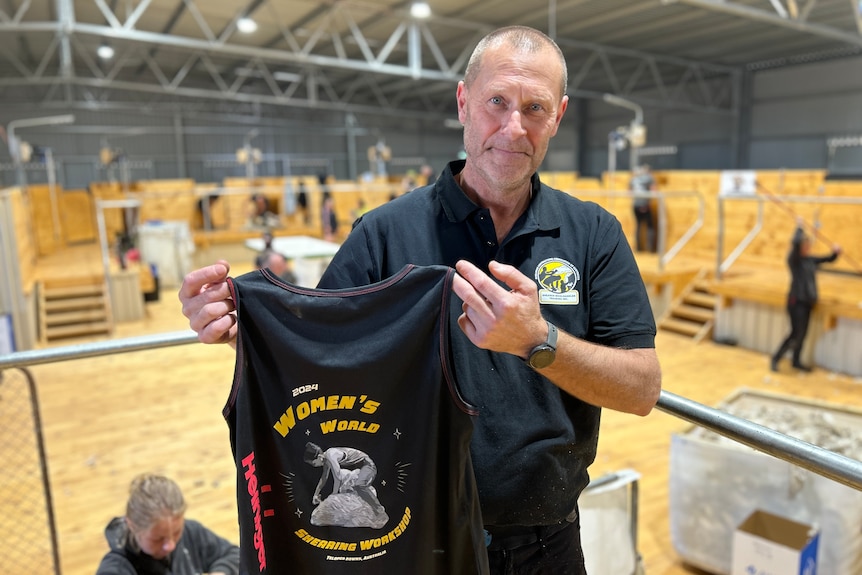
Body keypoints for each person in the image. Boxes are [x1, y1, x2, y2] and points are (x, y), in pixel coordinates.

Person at [180, 25, 661, 574]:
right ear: (463, 102)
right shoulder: (384, 235)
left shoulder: (593, 233)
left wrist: (539, 342)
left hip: (545, 545)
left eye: (535, 108)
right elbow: (318, 351)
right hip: (413, 540)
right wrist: (245, 328)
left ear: (558, 116)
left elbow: (642, 387)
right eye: (496, 102)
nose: (512, 126)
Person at [95, 473, 239, 575]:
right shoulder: (116, 568)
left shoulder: (191, 532)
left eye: (177, 532)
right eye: (158, 539)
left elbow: (233, 554)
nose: (171, 545)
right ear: (132, 525)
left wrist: (221, 572)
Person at [771, 221, 841, 372]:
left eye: (809, 245)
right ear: (800, 246)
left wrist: (835, 252)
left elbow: (828, 259)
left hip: (807, 303)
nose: (808, 247)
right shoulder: (794, 260)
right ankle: (776, 358)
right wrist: (799, 227)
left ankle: (796, 361)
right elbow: (795, 242)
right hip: (796, 302)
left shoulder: (809, 260)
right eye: (805, 245)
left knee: (802, 334)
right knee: (795, 333)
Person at [630, 164, 657, 252]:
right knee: (650, 226)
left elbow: (629, 192)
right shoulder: (649, 178)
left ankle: (639, 248)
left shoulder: (634, 179)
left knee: (638, 226)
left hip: (636, 204)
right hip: (645, 203)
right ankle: (650, 248)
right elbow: (653, 192)